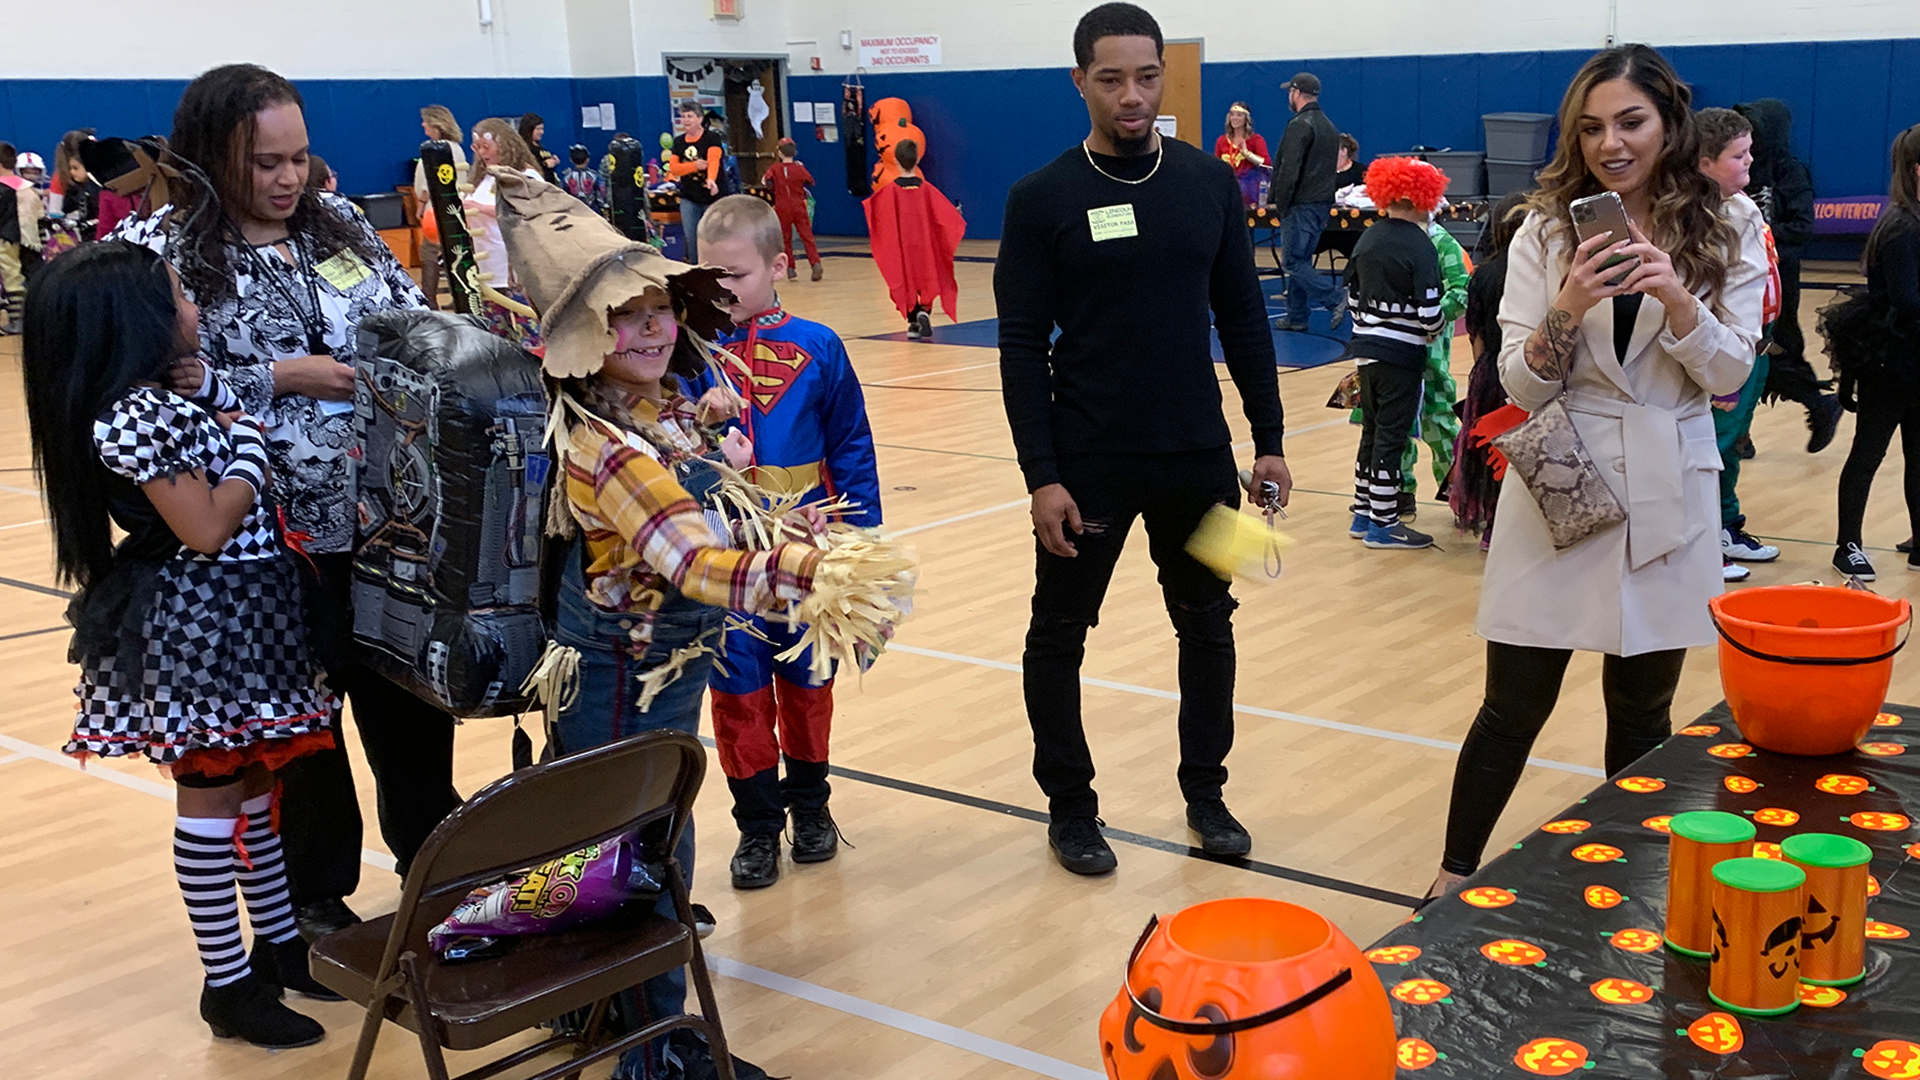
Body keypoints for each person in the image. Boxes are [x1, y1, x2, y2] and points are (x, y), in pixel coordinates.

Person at [493, 169, 901, 1080]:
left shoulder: (662, 415)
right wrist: (813, 571)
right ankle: (654, 1047)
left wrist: (794, 521)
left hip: (660, 676)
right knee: (637, 849)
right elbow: (691, 561)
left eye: (659, 311)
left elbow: (730, 509)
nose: (649, 330)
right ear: (580, 341)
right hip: (621, 682)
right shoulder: (607, 448)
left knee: (636, 841)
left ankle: (596, 1008)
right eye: (623, 318)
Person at [113, 63, 448, 944]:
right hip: (268, 538)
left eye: (299, 157)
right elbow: (152, 386)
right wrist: (280, 376)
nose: (289, 178)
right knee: (305, 727)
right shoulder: (163, 253)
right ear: (206, 156)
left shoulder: (338, 222)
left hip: (390, 519)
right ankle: (313, 895)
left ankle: (439, 870)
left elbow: (410, 317)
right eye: (265, 162)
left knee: (412, 705)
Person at [1427, 44, 1769, 901]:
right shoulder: (1545, 228)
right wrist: (1571, 302)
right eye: (1591, 128)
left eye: (1630, 122)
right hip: (1561, 481)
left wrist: (1677, 298)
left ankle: (1629, 890)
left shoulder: (1730, 225)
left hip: (1668, 483)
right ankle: (1447, 877)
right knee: (1511, 706)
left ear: (1668, 123)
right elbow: (1518, 382)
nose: (1611, 143)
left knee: (1643, 714)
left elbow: (1730, 377)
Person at [997, 2, 1289, 875]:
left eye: (1147, 75)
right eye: (1113, 77)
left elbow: (1242, 317)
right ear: (1079, 80)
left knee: (1209, 623)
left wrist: (1266, 437)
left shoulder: (1207, 185)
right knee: (1059, 633)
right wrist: (1041, 476)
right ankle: (1071, 807)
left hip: (1199, 458)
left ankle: (1207, 791)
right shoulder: (1041, 198)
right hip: (1087, 465)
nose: (1133, 94)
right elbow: (1018, 348)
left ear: (1165, 76)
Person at [27, 241, 338, 1048]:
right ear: (136, 321)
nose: (194, 309)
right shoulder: (130, 418)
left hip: (247, 612)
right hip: (203, 626)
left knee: (256, 793)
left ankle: (278, 946)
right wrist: (248, 448)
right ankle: (227, 983)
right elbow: (205, 526)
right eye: (179, 298)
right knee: (211, 800)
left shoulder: (164, 398)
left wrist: (230, 421)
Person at [689, 195, 881, 889]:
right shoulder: (688, 352)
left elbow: (851, 443)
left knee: (808, 682)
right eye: (707, 275)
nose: (720, 290)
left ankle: (813, 807)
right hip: (726, 556)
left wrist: (859, 541)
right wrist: (703, 434)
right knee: (736, 691)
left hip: (806, 548)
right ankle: (758, 827)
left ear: (777, 265)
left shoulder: (820, 346)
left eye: (735, 275)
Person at [1695, 107, 1784, 584]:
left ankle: (1726, 525)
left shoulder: (1744, 207)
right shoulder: (1698, 219)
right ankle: (1703, 541)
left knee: (1729, 445)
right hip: (1720, 354)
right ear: (1704, 162)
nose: (1750, 163)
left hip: (1757, 348)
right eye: (1739, 155)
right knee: (1712, 444)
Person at [1343, 156, 1449, 550]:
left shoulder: (1367, 237)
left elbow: (1352, 297)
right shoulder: (1420, 244)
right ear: (1423, 198)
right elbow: (1429, 312)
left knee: (1371, 431)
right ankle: (1384, 525)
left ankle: (1363, 510)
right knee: (1392, 436)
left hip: (1364, 352)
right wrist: (1434, 330)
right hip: (1401, 355)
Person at [1832, 124, 1920, 580]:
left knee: (1918, 453)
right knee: (1869, 453)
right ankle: (1847, 544)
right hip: (1892, 359)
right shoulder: (1903, 227)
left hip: (1913, 357)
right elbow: (1908, 301)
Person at [1737, 97, 1841, 453]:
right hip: (1735, 273)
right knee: (1738, 350)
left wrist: (1756, 231)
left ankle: (1818, 403)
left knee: (1772, 349)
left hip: (1775, 278)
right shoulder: (1738, 166)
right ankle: (1740, 434)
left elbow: (1800, 227)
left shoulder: (1789, 171)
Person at [1450, 192, 1529, 548]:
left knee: (1490, 454)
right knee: (1524, 453)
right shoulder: (1534, 273)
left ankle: (1490, 524)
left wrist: (1482, 375)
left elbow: (1476, 336)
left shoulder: (1483, 275)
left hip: (1490, 371)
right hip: (1527, 371)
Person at [865, 139, 965, 340]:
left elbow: (874, 212)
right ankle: (924, 311)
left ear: (895, 160)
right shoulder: (927, 190)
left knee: (903, 279)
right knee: (928, 277)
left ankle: (913, 320)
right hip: (925, 246)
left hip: (902, 246)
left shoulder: (888, 192)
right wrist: (956, 213)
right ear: (918, 158)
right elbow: (946, 215)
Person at [1270, 71, 1343, 331]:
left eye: (1289, 92)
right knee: (1302, 258)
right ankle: (1297, 315)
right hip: (1322, 202)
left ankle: (1336, 298)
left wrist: (1280, 202)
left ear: (1296, 92)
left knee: (1293, 262)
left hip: (1301, 203)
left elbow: (1289, 167)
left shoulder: (1299, 124)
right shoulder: (1328, 125)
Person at [464, 117, 546, 348]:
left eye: (486, 146)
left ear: (504, 144)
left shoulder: (525, 174)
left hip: (516, 268)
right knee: (497, 333)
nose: (481, 152)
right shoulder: (482, 176)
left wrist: (480, 209)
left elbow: (527, 208)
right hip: (486, 267)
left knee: (529, 328)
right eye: (477, 147)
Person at [413, 105, 468, 311]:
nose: (423, 124)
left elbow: (426, 186)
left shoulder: (433, 149)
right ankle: (460, 294)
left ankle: (430, 299)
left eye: (425, 121)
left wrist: (419, 206)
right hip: (457, 205)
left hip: (435, 208)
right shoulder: (457, 148)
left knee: (429, 252)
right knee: (453, 251)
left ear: (435, 123)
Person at [668, 100, 725, 263]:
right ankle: (695, 270)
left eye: (690, 116)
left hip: (712, 195)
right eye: (683, 117)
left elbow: (713, 161)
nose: (686, 120)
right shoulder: (679, 142)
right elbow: (674, 168)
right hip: (689, 196)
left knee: (712, 237)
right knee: (691, 237)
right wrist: (694, 166)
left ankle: (716, 268)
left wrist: (711, 180)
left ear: (700, 118)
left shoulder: (712, 138)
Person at [0, 141, 47, 335]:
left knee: (12, 276)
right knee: (32, 273)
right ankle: (43, 314)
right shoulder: (29, 187)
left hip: (6, 237)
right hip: (31, 237)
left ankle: (17, 320)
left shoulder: (2, 189)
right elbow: (40, 215)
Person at [764, 138, 822, 281]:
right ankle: (815, 264)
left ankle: (790, 268)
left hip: (782, 206)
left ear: (780, 152)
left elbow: (767, 182)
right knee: (807, 236)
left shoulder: (774, 168)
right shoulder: (799, 168)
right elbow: (810, 182)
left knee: (785, 238)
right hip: (798, 205)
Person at [1214, 102, 1270, 207]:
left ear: (1246, 118)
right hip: (1227, 189)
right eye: (1232, 114)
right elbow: (1217, 166)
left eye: (1239, 115)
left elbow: (1266, 163)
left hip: (1249, 192)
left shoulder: (1256, 140)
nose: (1235, 118)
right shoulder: (1221, 141)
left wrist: (1247, 154)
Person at [559, 143, 608, 214]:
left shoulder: (567, 178)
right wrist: (604, 206)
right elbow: (602, 193)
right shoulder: (594, 176)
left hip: (574, 212)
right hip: (593, 212)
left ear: (571, 160)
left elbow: (563, 195)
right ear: (587, 159)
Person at [518, 112, 559, 183]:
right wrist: (545, 165)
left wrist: (554, 162)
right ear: (529, 129)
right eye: (538, 129)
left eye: (542, 129)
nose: (542, 132)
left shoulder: (539, 146)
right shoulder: (524, 148)